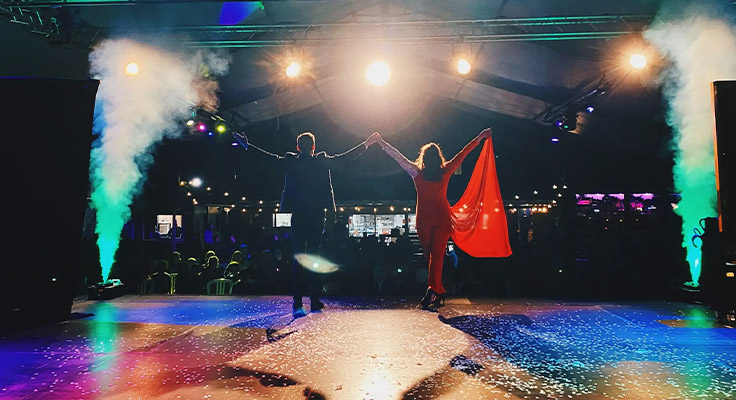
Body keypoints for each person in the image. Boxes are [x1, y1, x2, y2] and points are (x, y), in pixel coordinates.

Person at [234, 130, 378, 313]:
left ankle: (297, 301)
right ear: (313, 147)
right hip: (317, 214)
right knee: (314, 256)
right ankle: (315, 299)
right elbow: (345, 158)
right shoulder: (321, 160)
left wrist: (247, 145)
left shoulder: (290, 161)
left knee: (299, 255)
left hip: (299, 214)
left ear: (297, 147)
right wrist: (366, 143)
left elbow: (268, 159)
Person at [375, 128, 502, 309]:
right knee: (436, 257)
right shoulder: (446, 170)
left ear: (424, 158)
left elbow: (398, 157)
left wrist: (380, 142)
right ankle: (437, 291)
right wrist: (479, 138)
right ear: (438, 157)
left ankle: (433, 291)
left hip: (424, 220)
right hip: (442, 218)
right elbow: (463, 154)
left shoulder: (416, 173)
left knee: (431, 257)